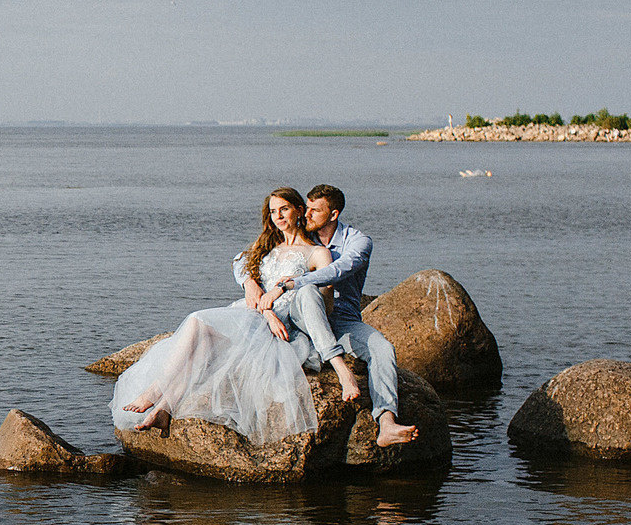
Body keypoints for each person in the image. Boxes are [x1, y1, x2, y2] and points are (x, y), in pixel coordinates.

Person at [112, 188, 352, 446]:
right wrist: (250, 282)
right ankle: (163, 410)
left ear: (299, 210)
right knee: (202, 341)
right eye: (273, 211)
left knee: (197, 322)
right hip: (257, 314)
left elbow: (324, 306)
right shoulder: (269, 246)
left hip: (283, 325)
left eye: (284, 208)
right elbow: (239, 260)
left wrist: (276, 310)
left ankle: (154, 392)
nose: (278, 215)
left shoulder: (317, 253)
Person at [288, 184, 418, 449]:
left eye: (315, 210)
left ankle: (387, 422)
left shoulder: (359, 242)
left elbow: (338, 270)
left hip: (342, 320)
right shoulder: (298, 234)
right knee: (308, 294)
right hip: (301, 318)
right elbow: (247, 258)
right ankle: (340, 368)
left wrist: (294, 281)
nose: (307, 215)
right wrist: (249, 282)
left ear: (333, 214)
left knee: (382, 348)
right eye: (307, 208)